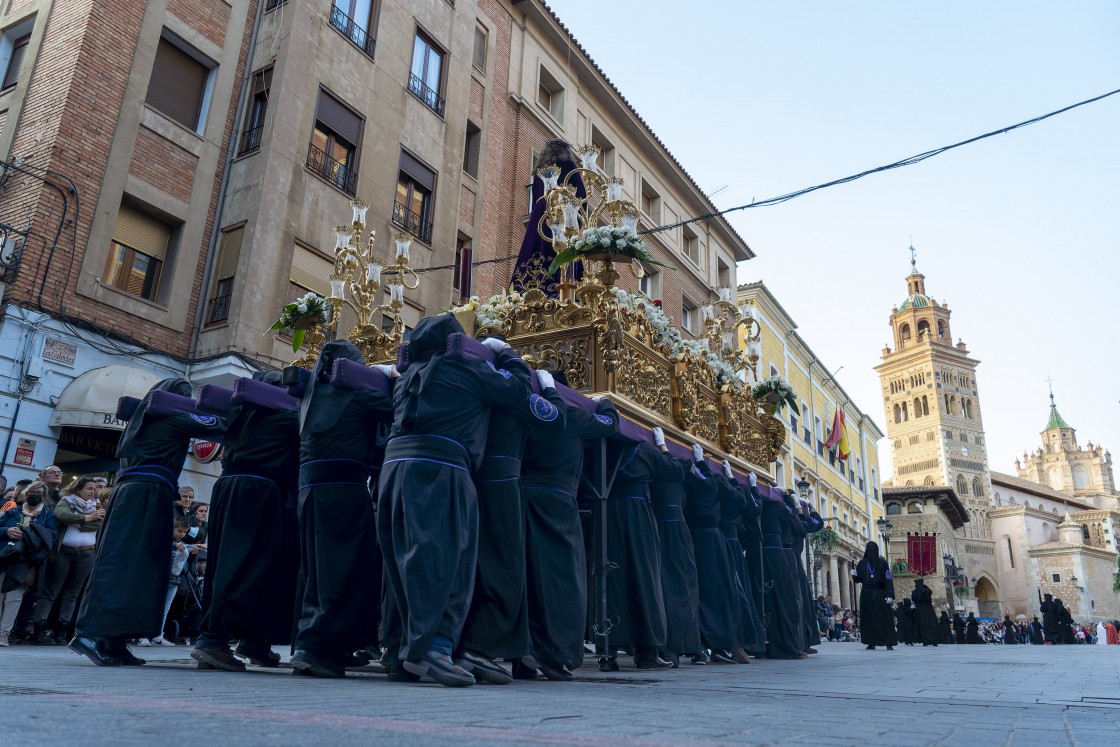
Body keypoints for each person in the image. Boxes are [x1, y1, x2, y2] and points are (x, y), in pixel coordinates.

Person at [378, 314, 531, 687]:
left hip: (393, 470)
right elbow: (518, 391)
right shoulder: (468, 369)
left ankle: (402, 652)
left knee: (402, 565)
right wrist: (507, 354)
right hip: (440, 467)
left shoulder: (407, 376)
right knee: (446, 562)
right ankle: (434, 649)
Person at [70, 378, 225, 667]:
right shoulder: (173, 417)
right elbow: (219, 425)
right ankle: (92, 634)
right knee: (125, 563)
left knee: (135, 565)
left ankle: (113, 639)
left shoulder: (143, 419)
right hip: (146, 493)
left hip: (136, 493)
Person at [290, 342, 395, 678]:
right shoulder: (358, 395)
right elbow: (399, 409)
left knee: (316, 574)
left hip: (309, 491)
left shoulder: (308, 400)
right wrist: (384, 375)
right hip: (344, 492)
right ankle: (317, 648)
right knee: (342, 573)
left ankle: (327, 645)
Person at [457, 365, 566, 684]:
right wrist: (549, 389)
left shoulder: (472, 383)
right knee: (505, 566)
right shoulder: (516, 391)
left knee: (473, 563)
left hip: (470, 478)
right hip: (502, 484)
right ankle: (481, 646)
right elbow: (555, 418)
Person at [191, 371, 301, 672]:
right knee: (247, 566)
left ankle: (254, 639)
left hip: (229, 487)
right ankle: (214, 639)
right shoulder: (286, 416)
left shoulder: (239, 413)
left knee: (233, 564)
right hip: (258, 491)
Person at [520, 376, 616, 681]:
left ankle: (525, 652)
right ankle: (556, 653)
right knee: (563, 579)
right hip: (558, 503)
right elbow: (608, 423)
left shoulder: (526, 413)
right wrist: (605, 400)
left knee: (528, 576)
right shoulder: (572, 416)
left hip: (523, 499)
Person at [603, 428, 683, 670]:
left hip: (607, 513)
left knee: (611, 579)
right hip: (637, 514)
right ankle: (647, 653)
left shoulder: (604, 446)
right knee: (645, 578)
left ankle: (608, 653)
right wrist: (663, 447)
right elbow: (675, 471)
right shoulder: (645, 449)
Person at [32, 477, 105, 644]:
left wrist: (77, 520)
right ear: (78, 489)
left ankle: (61, 632)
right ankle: (39, 631)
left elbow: (99, 524)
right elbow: (61, 515)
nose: (93, 491)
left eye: (94, 488)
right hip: (64, 553)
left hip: (87, 555)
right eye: (89, 488)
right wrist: (88, 518)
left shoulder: (97, 505)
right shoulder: (66, 501)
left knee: (72, 594)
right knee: (51, 592)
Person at [648, 444, 700, 669]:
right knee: (676, 587)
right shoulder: (679, 469)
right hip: (673, 528)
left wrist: (664, 449)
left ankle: (674, 647)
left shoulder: (675, 468)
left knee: (671, 586)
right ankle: (675, 647)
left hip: (666, 528)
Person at [0, 482, 58, 646]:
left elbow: (51, 537)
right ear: (25, 494)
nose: (34, 495)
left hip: (27, 561)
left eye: (38, 493)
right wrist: (7, 531)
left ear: (44, 496)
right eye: (32, 492)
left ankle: (4, 632)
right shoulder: (13, 511)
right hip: (5, 556)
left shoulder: (48, 515)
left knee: (14, 597)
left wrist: (31, 533)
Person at [139, 516, 194, 647]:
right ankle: (143, 635)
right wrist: (177, 546)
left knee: (165, 608)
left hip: (174, 579)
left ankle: (157, 634)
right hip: (159, 579)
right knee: (151, 606)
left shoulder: (181, 543)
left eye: (184, 532)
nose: (182, 534)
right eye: (179, 531)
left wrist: (192, 551)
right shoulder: (163, 539)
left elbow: (183, 562)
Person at [852, 540, 896, 650]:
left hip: (878, 593)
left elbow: (888, 579)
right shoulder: (862, 563)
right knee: (869, 618)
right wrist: (854, 574)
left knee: (883, 618)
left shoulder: (882, 563)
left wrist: (890, 594)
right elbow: (858, 580)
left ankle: (887, 642)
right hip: (868, 593)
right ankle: (872, 642)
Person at [910, 578, 940, 646]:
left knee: (922, 625)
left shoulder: (915, 591)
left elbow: (914, 599)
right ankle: (933, 641)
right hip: (928, 609)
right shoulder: (927, 590)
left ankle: (925, 641)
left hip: (920, 610)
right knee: (930, 624)